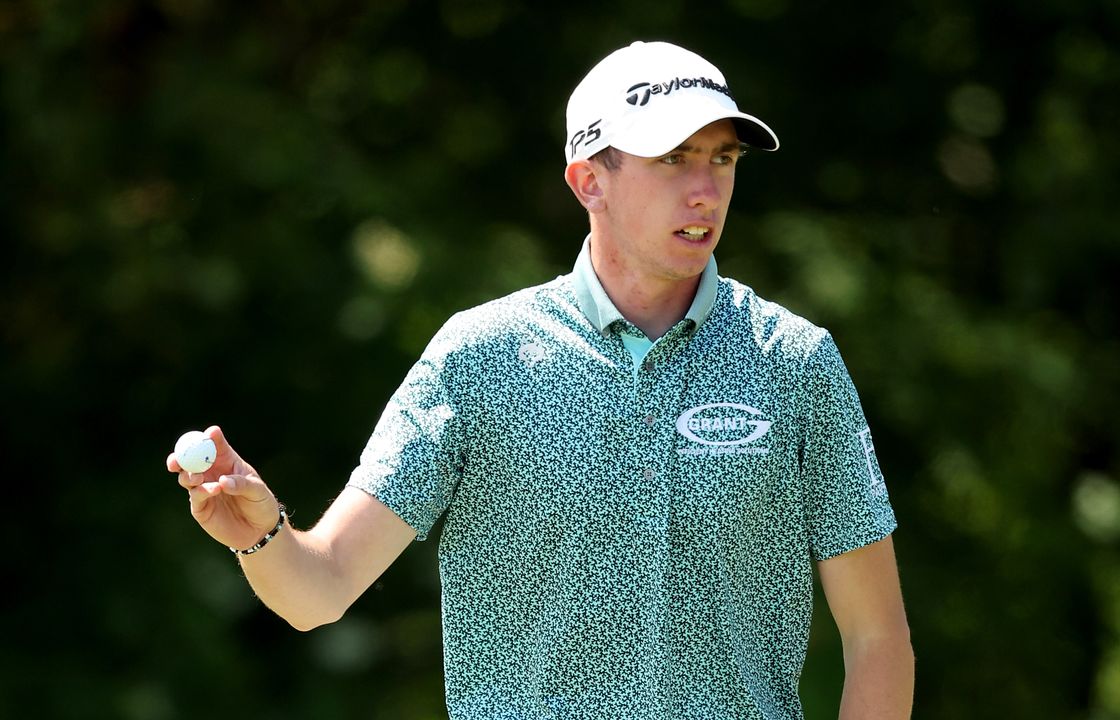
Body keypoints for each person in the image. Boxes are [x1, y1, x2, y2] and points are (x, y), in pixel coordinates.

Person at [170, 40, 914, 719]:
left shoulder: (793, 361)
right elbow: (320, 590)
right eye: (672, 159)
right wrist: (262, 535)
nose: (705, 190)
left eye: (721, 160)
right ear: (589, 181)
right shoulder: (478, 359)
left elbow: (878, 638)